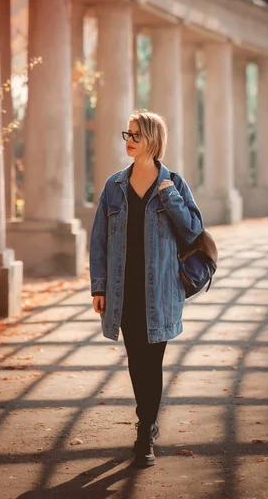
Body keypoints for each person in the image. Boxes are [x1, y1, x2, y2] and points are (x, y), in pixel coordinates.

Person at [89, 109, 203, 468]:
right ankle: (147, 421)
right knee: (137, 360)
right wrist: (99, 286)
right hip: (124, 292)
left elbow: (192, 231)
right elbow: (99, 242)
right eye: (127, 134)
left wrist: (170, 196)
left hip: (160, 292)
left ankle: (144, 432)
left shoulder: (174, 184)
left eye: (136, 134)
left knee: (153, 361)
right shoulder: (114, 186)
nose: (129, 140)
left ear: (153, 139)